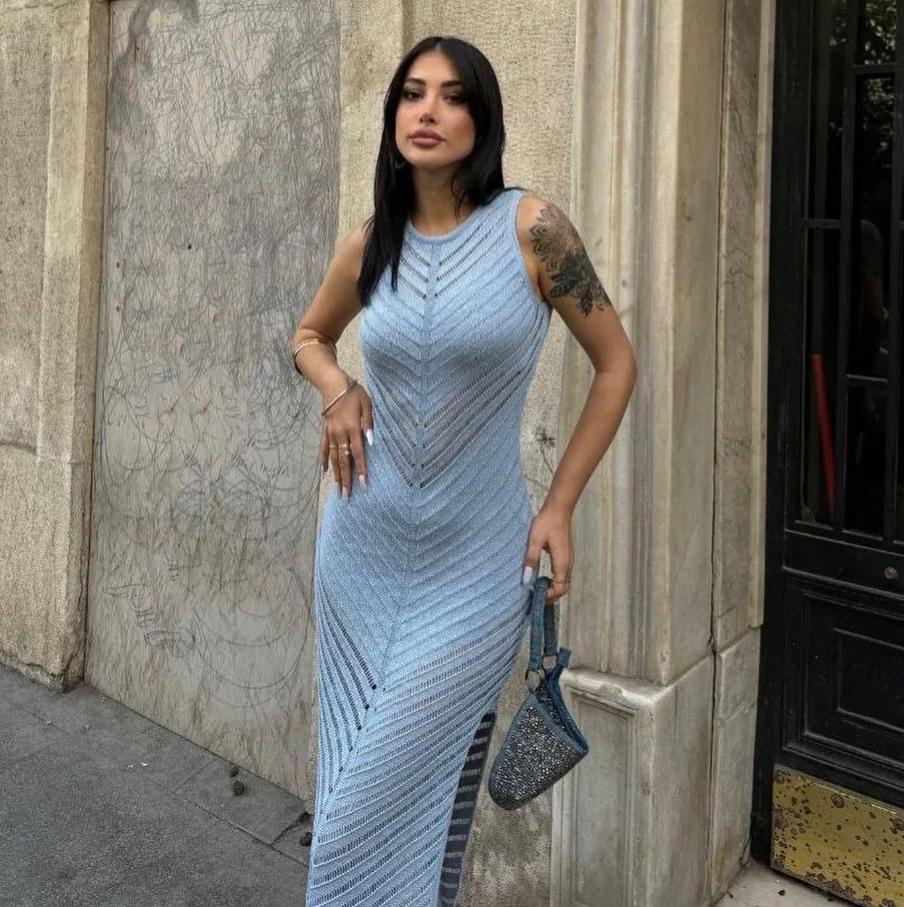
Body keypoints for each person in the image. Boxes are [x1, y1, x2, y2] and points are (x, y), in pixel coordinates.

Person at [289, 35, 636, 907]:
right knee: (349, 793)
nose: (428, 111)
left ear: (481, 119)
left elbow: (616, 365)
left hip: (477, 568)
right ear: (392, 115)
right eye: (412, 94)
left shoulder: (534, 229)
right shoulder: (371, 242)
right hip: (359, 555)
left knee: (397, 790)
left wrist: (559, 505)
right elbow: (308, 336)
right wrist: (336, 387)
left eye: (451, 96)